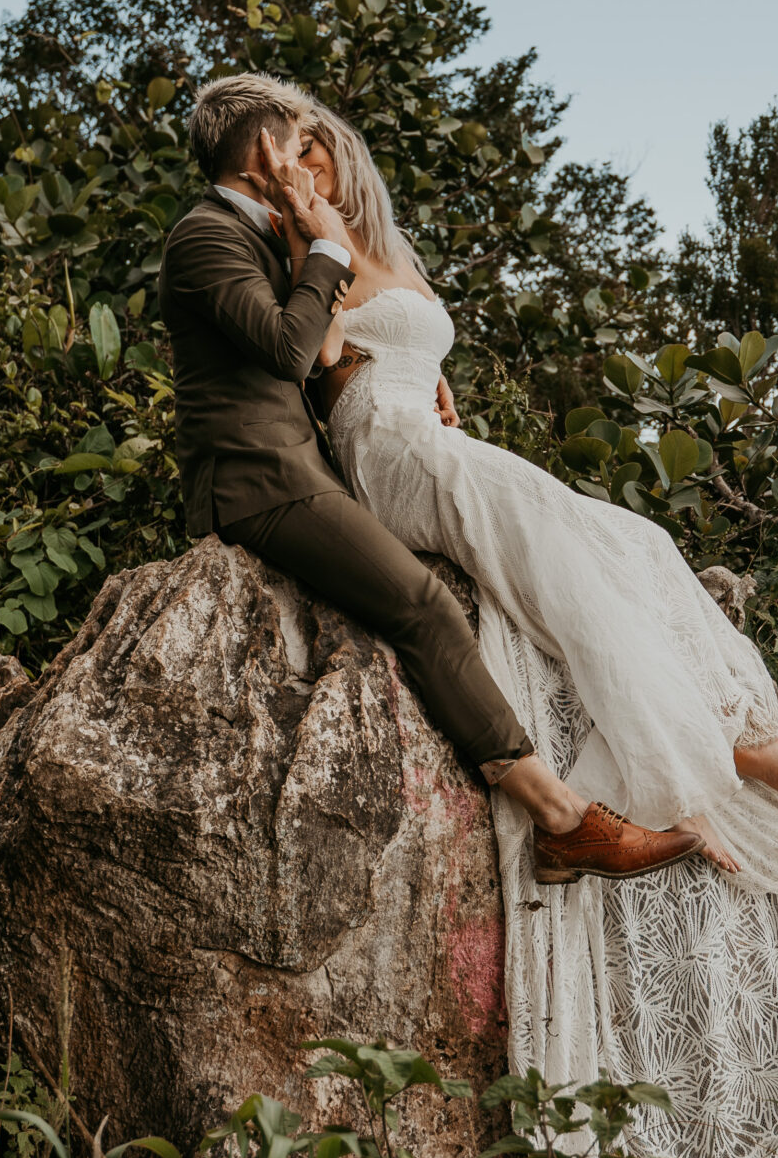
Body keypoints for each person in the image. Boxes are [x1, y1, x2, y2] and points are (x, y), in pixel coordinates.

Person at [242, 73, 778, 1158]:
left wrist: (418, 368)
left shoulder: (368, 240)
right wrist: (333, 309)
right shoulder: (306, 246)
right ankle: (699, 759)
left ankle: (728, 726)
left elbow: (400, 348)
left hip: (433, 435)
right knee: (561, 542)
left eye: (307, 150)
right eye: (281, 159)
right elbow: (305, 356)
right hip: (387, 456)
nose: (300, 170)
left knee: (634, 540)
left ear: (334, 149)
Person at [157, 74, 715, 885]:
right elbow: (284, 348)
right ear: (259, 153)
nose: (304, 161)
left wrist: (410, 364)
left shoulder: (256, 231)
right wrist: (325, 252)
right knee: (420, 604)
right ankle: (562, 820)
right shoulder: (207, 234)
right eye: (291, 142)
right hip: (258, 479)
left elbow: (320, 344)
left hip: (298, 468)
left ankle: (577, 809)